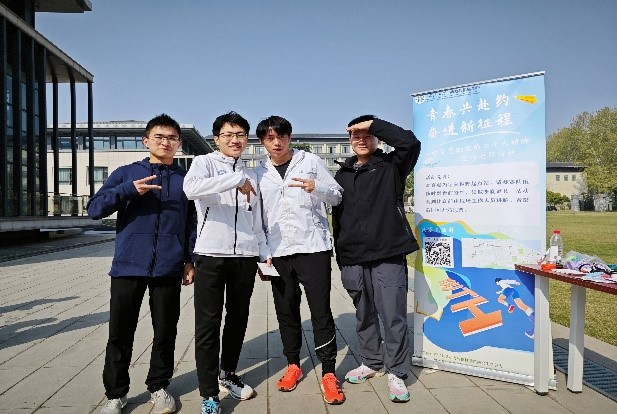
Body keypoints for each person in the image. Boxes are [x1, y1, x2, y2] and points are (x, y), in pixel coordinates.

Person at [88, 114, 196, 414]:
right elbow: (94, 209)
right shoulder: (126, 173)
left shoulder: (185, 179)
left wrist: (189, 259)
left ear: (179, 143)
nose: (165, 142)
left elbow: (191, 223)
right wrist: (127, 191)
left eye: (171, 138)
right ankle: (116, 394)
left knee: (165, 331)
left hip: (169, 267)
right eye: (159, 137)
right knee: (120, 333)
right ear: (146, 140)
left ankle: (159, 386)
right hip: (128, 266)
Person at [254, 115, 346, 405]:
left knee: (321, 311)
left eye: (281, 136)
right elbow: (258, 218)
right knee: (286, 311)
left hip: (312, 248)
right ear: (262, 142)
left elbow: (337, 196)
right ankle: (293, 364)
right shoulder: (258, 173)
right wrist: (263, 253)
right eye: (270, 138)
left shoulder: (310, 162)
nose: (276, 143)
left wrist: (316, 187)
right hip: (278, 253)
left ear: (289, 137)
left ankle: (329, 372)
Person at [183, 112, 270, 414]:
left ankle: (227, 373)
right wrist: (235, 180)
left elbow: (257, 220)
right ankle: (209, 393)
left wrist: (262, 253)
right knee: (208, 324)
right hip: (210, 254)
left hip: (244, 256)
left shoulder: (253, 174)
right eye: (228, 134)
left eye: (241, 135)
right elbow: (191, 189)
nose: (235, 140)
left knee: (237, 319)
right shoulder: (204, 163)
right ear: (216, 138)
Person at [332, 115, 421, 403]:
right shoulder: (342, 175)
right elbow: (338, 219)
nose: (361, 140)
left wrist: (373, 124)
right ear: (349, 141)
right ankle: (371, 362)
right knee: (364, 314)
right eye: (355, 135)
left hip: (388, 253)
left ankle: (397, 371)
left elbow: (410, 143)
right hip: (353, 256)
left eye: (366, 134)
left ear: (377, 138)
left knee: (393, 314)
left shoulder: (391, 166)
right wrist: (341, 257)